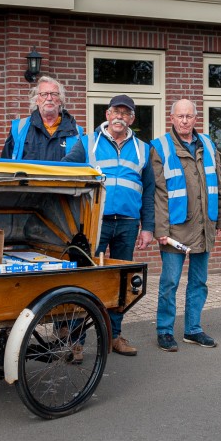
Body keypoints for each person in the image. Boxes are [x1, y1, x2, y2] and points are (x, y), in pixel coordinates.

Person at [63, 94, 155, 356]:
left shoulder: (143, 149)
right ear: (107, 114)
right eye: (116, 112)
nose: (120, 117)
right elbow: (65, 173)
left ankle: (115, 335)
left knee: (121, 282)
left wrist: (148, 227)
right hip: (95, 222)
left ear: (132, 119)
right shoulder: (87, 143)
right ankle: (76, 340)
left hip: (128, 224)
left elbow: (149, 191)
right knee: (85, 279)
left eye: (125, 113)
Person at [151, 99, 221, 351]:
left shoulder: (208, 144)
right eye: (180, 116)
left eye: (189, 116)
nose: (184, 121)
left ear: (196, 119)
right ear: (172, 118)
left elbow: (219, 185)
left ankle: (193, 329)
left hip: (204, 225)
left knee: (199, 282)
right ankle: (165, 330)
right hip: (175, 228)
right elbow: (157, 193)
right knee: (170, 282)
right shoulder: (160, 147)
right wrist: (160, 229)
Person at [0, 76, 83, 161]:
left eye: (54, 94)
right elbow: (5, 165)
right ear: (36, 100)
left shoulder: (76, 133)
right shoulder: (19, 129)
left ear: (60, 100)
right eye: (44, 94)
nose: (49, 98)